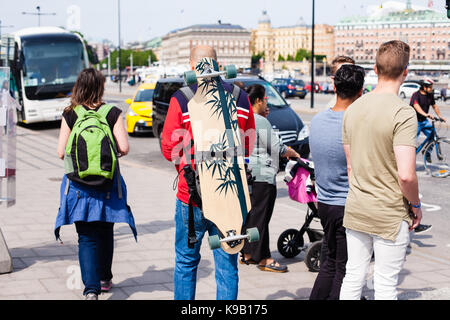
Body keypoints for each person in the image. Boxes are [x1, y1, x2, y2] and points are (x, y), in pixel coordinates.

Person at [161, 45, 256, 300]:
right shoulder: (240, 97)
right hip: (229, 198)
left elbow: (169, 146)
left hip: (191, 195)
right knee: (227, 265)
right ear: (217, 63)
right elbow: (248, 145)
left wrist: (185, 168)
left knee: (185, 262)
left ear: (192, 65)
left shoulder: (182, 98)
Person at [339, 40, 422, 300]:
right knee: (385, 284)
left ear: (375, 68)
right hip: (388, 212)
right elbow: (406, 174)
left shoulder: (353, 109)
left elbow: (351, 166)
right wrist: (416, 205)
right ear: (406, 71)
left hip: (357, 206)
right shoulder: (403, 113)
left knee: (353, 274)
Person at [54, 68, 137, 300]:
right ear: (100, 87)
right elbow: (124, 148)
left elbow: (61, 152)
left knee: (86, 236)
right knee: (106, 230)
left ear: (78, 87)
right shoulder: (112, 112)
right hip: (107, 184)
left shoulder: (71, 113)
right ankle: (105, 278)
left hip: (79, 186)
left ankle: (91, 290)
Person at [309, 64, 365, 300]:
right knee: (343, 269)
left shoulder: (318, 120)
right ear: (361, 92)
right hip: (347, 206)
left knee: (329, 262)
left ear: (334, 86)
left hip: (325, 204)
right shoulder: (356, 124)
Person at [240, 84, 300, 273]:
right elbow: (278, 148)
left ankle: (247, 254)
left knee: (252, 217)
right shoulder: (259, 120)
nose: (266, 102)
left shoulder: (241, 119)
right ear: (257, 100)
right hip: (263, 176)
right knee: (262, 218)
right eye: (265, 98)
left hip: (247, 174)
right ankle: (265, 258)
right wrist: (294, 153)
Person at [409, 78, 447, 234]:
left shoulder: (430, 96)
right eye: (429, 86)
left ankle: (429, 152)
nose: (431, 88)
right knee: (411, 142)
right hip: (416, 121)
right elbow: (416, 107)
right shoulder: (416, 94)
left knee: (433, 134)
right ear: (424, 87)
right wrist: (426, 115)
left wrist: (440, 116)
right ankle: (411, 155)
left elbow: (435, 106)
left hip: (425, 121)